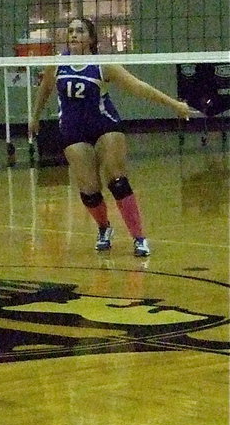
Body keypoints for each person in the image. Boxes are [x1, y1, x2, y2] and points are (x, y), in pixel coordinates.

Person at [29, 17, 196, 257]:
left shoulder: (102, 64)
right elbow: (44, 89)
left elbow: (138, 87)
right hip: (73, 130)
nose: (74, 35)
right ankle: (104, 228)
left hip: (104, 125)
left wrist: (174, 105)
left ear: (91, 38)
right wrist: (34, 117)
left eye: (80, 31)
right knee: (89, 190)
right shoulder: (56, 64)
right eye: (71, 31)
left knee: (117, 179)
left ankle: (139, 238)